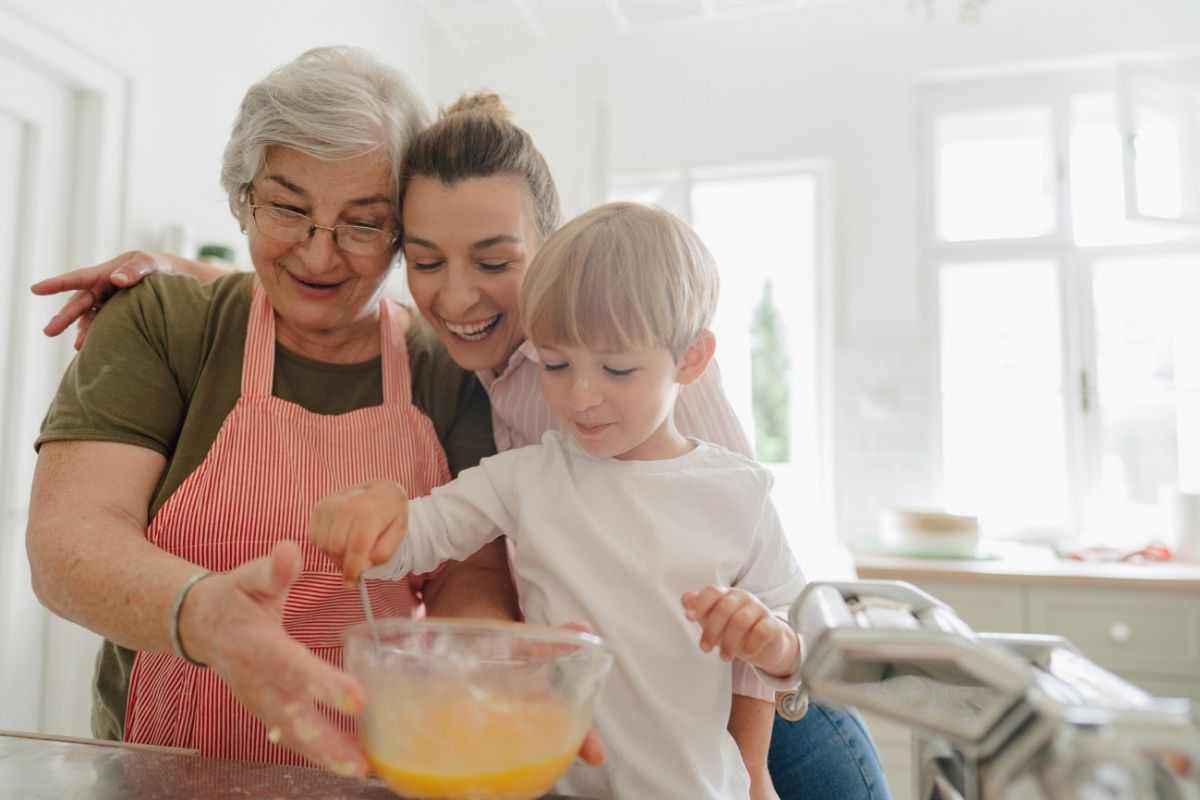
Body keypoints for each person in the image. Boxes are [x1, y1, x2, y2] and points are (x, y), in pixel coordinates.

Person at [36, 95, 890, 800]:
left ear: (547, 249)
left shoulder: (635, 357)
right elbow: (324, 297)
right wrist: (177, 272)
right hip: (608, 724)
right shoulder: (450, 360)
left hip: (759, 719)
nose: (456, 295)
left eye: (494, 260)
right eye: (427, 260)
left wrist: (749, 765)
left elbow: (737, 568)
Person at [24, 47, 527, 775]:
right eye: (288, 208)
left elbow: (471, 573)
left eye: (362, 224)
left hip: (379, 767)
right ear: (242, 196)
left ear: (402, 232)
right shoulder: (165, 322)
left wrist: (470, 670)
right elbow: (70, 539)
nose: (319, 257)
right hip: (163, 767)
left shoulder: (446, 369)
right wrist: (206, 616)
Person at [311, 201, 807, 799]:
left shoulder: (739, 493)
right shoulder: (526, 478)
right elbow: (418, 535)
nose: (580, 396)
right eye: (555, 363)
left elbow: (802, 655)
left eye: (617, 370)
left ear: (690, 359)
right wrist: (374, 522)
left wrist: (773, 643)